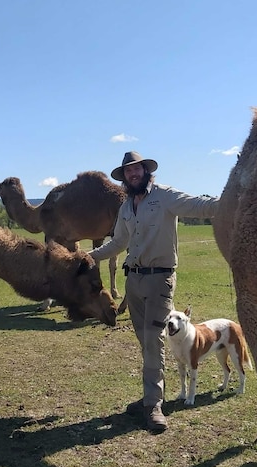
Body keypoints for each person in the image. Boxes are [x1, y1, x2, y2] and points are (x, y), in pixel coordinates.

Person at [89, 151, 220, 432]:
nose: (133, 174)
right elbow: (118, 243)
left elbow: (198, 205)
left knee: (153, 340)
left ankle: (153, 405)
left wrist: (231, 202)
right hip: (133, 281)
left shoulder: (165, 196)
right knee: (145, 341)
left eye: (137, 169)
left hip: (160, 280)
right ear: (124, 177)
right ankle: (153, 393)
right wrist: (90, 258)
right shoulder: (126, 208)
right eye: (128, 171)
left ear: (146, 171)